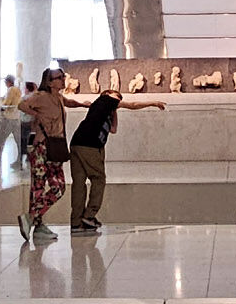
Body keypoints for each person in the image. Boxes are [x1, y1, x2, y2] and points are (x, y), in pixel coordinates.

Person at [68, 89, 165, 233]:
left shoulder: (102, 109)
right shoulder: (106, 100)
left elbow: (113, 129)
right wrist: (153, 103)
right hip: (90, 145)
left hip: (77, 143)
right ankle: (89, 215)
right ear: (108, 94)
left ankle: (76, 222)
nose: (119, 99)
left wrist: (114, 111)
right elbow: (133, 105)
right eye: (117, 97)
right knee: (98, 178)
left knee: (78, 183)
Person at [16, 68, 91, 242]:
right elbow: (22, 105)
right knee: (38, 187)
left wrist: (83, 104)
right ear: (50, 82)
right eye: (59, 77)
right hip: (42, 146)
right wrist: (37, 115)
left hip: (55, 146)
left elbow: (68, 102)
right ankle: (37, 224)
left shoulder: (58, 97)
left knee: (58, 187)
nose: (63, 79)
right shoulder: (41, 96)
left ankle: (31, 218)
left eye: (63, 77)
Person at [0, 74, 22, 165]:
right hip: (16, 117)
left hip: (9, 118)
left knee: (1, 139)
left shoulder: (11, 90)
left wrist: (1, 108)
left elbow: (7, 102)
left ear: (8, 82)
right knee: (18, 140)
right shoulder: (18, 90)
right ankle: (19, 159)